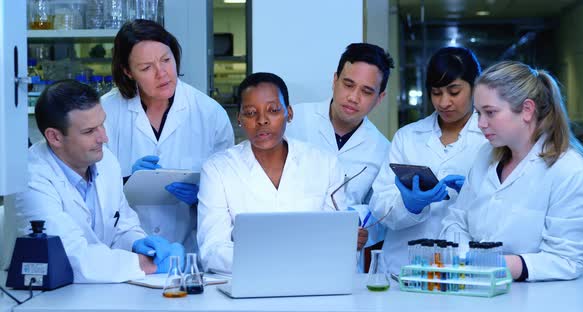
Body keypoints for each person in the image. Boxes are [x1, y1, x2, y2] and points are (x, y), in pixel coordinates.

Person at [2, 80, 183, 283]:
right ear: (54, 137)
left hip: (96, 290)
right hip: (39, 297)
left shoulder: (105, 162)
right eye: (89, 131)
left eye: (102, 124)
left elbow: (122, 224)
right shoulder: (30, 179)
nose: (104, 138)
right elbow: (66, 258)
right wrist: (148, 264)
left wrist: (139, 243)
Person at [197, 73, 367, 273]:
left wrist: (349, 239)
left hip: (313, 288)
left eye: (273, 110)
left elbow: (335, 242)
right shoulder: (218, 170)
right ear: (240, 119)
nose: (262, 121)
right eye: (251, 113)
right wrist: (285, 257)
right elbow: (212, 250)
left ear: (289, 113)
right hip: (248, 288)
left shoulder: (324, 164)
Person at [440, 61, 583, 281]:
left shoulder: (569, 170)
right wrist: (464, 255)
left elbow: (568, 261)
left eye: (490, 113)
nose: (480, 123)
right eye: (478, 113)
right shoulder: (485, 156)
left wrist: (494, 264)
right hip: (476, 290)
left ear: (527, 110)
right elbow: (455, 220)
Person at [102, 19, 234, 252]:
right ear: (127, 71)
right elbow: (92, 187)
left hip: (189, 251)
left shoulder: (210, 113)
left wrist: (204, 196)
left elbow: (229, 193)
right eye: (146, 68)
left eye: (166, 60)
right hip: (125, 251)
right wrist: (123, 181)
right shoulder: (106, 112)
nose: (161, 73)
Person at [369, 47, 487, 274]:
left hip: (464, 269)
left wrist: (475, 196)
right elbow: (380, 205)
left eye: (454, 92)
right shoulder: (408, 137)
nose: (444, 102)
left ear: (475, 87)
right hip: (403, 267)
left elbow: (502, 210)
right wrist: (410, 205)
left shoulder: (490, 139)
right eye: (436, 92)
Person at [286, 43, 392, 207]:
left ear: (380, 98)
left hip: (344, 232)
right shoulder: (293, 120)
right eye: (348, 85)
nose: (353, 98)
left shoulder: (382, 149)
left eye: (366, 92)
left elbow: (374, 211)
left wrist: (362, 221)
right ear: (335, 80)